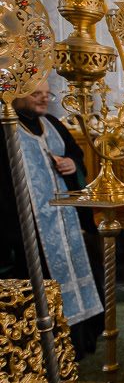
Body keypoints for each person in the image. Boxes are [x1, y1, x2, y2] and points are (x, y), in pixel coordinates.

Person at [0, 82, 104, 351]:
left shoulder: (54, 125)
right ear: (16, 94)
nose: (44, 99)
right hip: (30, 231)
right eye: (36, 94)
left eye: (47, 94)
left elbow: (76, 157)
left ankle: (82, 341)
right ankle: (50, 348)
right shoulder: (5, 128)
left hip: (68, 224)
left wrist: (72, 164)